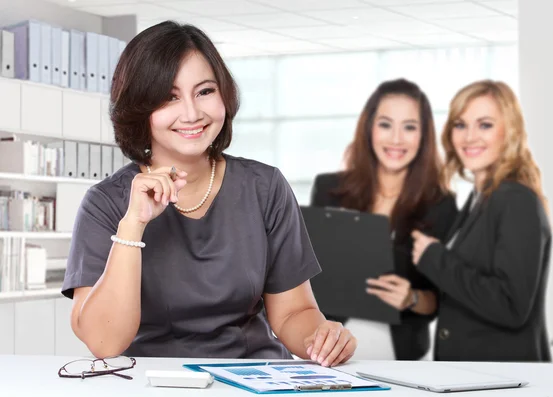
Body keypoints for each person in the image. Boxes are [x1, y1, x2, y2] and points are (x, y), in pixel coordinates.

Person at [61, 21, 357, 368]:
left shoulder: (265, 187)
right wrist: (133, 224)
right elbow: (104, 342)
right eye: (169, 97)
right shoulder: (106, 202)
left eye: (204, 91)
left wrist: (321, 339)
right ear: (140, 109)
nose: (191, 113)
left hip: (252, 379)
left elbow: (294, 312)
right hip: (152, 384)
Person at [310, 78, 458, 360]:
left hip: (401, 353)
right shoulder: (329, 190)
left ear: (423, 136)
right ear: (369, 129)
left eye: (410, 127)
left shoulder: (440, 205)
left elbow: (442, 300)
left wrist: (411, 298)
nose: (396, 139)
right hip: (331, 347)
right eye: (386, 124)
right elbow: (306, 275)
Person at [412, 80, 552, 362]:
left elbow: (511, 305)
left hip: (504, 379)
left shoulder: (515, 199)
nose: (469, 137)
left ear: (509, 132)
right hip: (473, 376)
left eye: (485, 125)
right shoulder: (478, 199)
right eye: (460, 125)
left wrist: (434, 258)